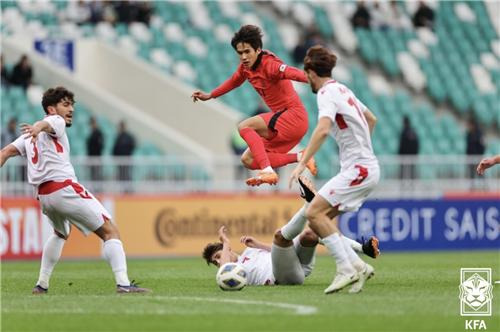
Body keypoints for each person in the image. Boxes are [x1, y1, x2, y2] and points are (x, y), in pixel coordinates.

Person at [0, 86, 149, 294]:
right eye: (66, 104)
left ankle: (41, 284)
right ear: (52, 109)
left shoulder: (27, 137)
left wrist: (35, 130)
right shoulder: (56, 121)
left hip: (44, 196)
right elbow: (47, 123)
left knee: (61, 233)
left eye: (72, 105)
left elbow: (5, 152)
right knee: (110, 231)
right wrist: (37, 127)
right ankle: (123, 284)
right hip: (63, 188)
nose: (71, 109)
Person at [289, 45, 379, 294]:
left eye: (306, 74)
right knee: (320, 221)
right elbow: (371, 118)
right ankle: (359, 266)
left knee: (313, 212)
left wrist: (302, 162)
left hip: (359, 170)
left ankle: (346, 269)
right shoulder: (343, 89)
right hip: (363, 167)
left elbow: (323, 128)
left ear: (310, 72)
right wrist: (361, 150)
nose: (306, 80)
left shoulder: (326, 92)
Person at [191, 25, 317, 187]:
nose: (243, 57)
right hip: (283, 123)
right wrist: (211, 95)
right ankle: (301, 157)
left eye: (247, 52)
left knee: (244, 125)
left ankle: (267, 171)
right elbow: (234, 81)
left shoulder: (269, 64)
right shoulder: (246, 68)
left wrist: (314, 80)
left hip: (293, 116)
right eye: (240, 53)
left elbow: (291, 72)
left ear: (258, 50)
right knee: (248, 159)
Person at [202, 177, 380, 287]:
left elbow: (278, 254)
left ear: (230, 252)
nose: (219, 262)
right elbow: (225, 267)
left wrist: (257, 245)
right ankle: (308, 205)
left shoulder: (248, 252)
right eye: (216, 261)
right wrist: (225, 242)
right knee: (280, 236)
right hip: (284, 277)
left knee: (310, 234)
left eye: (218, 256)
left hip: (298, 265)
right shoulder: (234, 272)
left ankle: (363, 249)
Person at [112, 120, 135, 186]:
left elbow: (131, 147)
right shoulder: (118, 137)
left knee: (126, 175)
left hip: (126, 160)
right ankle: (124, 189)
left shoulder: (128, 137)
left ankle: (128, 190)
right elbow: (115, 148)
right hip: (120, 160)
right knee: (122, 176)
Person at [398, 116, 419, 180]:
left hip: (404, 156)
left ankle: (403, 186)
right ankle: (411, 186)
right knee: (411, 172)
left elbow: (401, 145)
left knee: (403, 172)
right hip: (413, 156)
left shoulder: (404, 132)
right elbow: (417, 144)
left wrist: (400, 154)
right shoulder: (413, 132)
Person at [86, 116, 104, 185]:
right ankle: (95, 189)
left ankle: (98, 189)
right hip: (92, 157)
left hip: (96, 157)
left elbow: (100, 146)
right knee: (93, 175)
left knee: (96, 175)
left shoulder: (98, 133)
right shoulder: (92, 133)